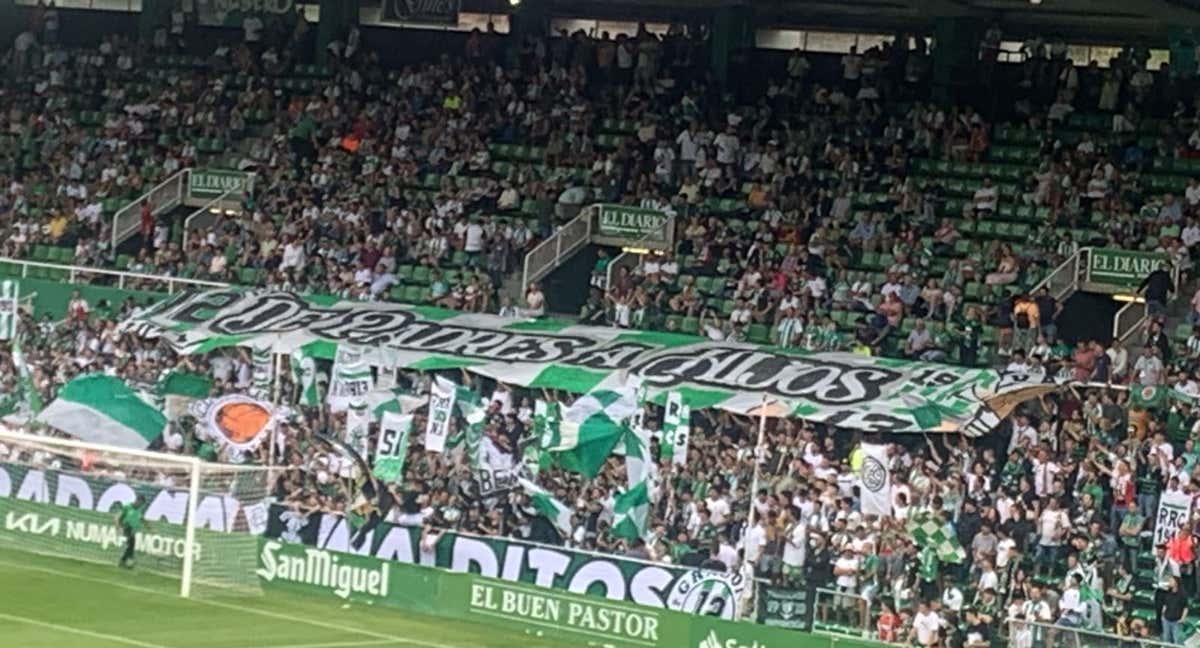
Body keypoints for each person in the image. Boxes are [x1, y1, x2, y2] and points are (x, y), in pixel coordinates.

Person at [114, 495, 148, 568]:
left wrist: (149, 526)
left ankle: (125, 560)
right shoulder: (127, 507)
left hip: (132, 530)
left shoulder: (138, 510)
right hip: (126, 527)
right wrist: (118, 527)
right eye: (141, 503)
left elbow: (141, 518)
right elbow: (118, 516)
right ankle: (126, 560)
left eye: (142, 504)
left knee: (131, 545)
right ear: (138, 500)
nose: (141, 505)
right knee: (131, 544)